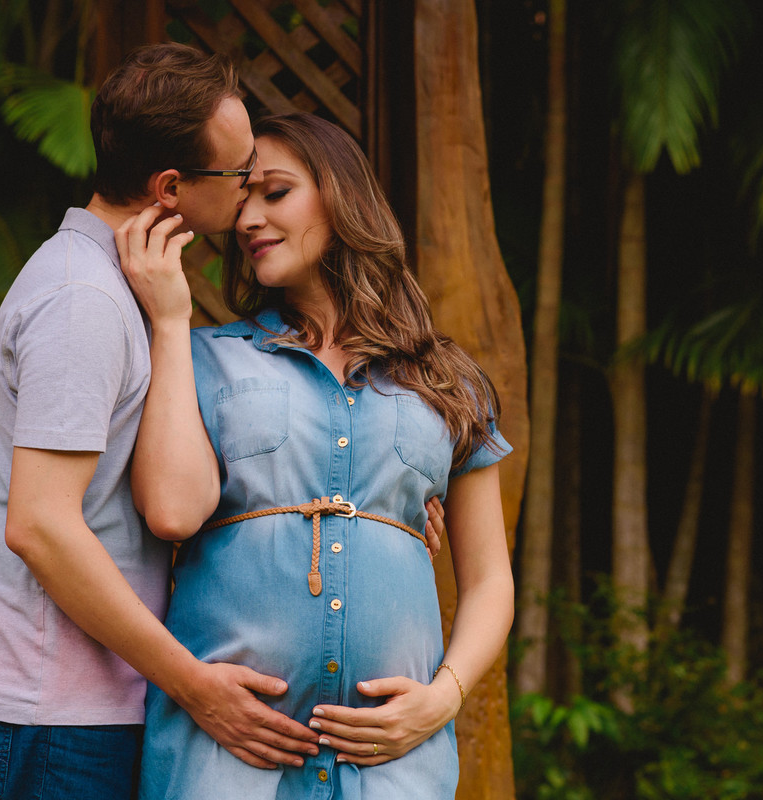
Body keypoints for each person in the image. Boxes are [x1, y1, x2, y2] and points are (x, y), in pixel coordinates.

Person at [0, 44, 326, 798]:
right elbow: (41, 526)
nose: (249, 190)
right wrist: (195, 684)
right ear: (171, 187)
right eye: (240, 172)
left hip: (82, 716)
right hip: (47, 720)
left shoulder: (124, 290)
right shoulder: (82, 301)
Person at [116, 112, 515, 798]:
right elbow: (171, 510)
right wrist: (169, 318)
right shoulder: (201, 360)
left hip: (393, 772)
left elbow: (490, 582)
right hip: (224, 763)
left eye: (275, 193)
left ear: (341, 196)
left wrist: (442, 698)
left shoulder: (447, 381)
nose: (247, 222)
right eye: (242, 204)